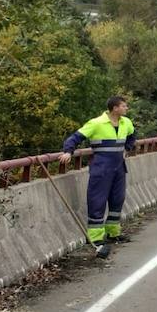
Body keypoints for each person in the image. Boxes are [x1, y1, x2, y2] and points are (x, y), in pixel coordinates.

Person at [59, 95, 136, 258]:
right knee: (97, 200)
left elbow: (132, 135)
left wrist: (127, 148)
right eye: (124, 106)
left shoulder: (126, 122)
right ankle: (96, 238)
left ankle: (113, 233)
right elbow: (75, 137)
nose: (126, 108)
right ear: (115, 108)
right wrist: (68, 151)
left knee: (118, 199)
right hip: (101, 168)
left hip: (118, 168)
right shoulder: (96, 123)